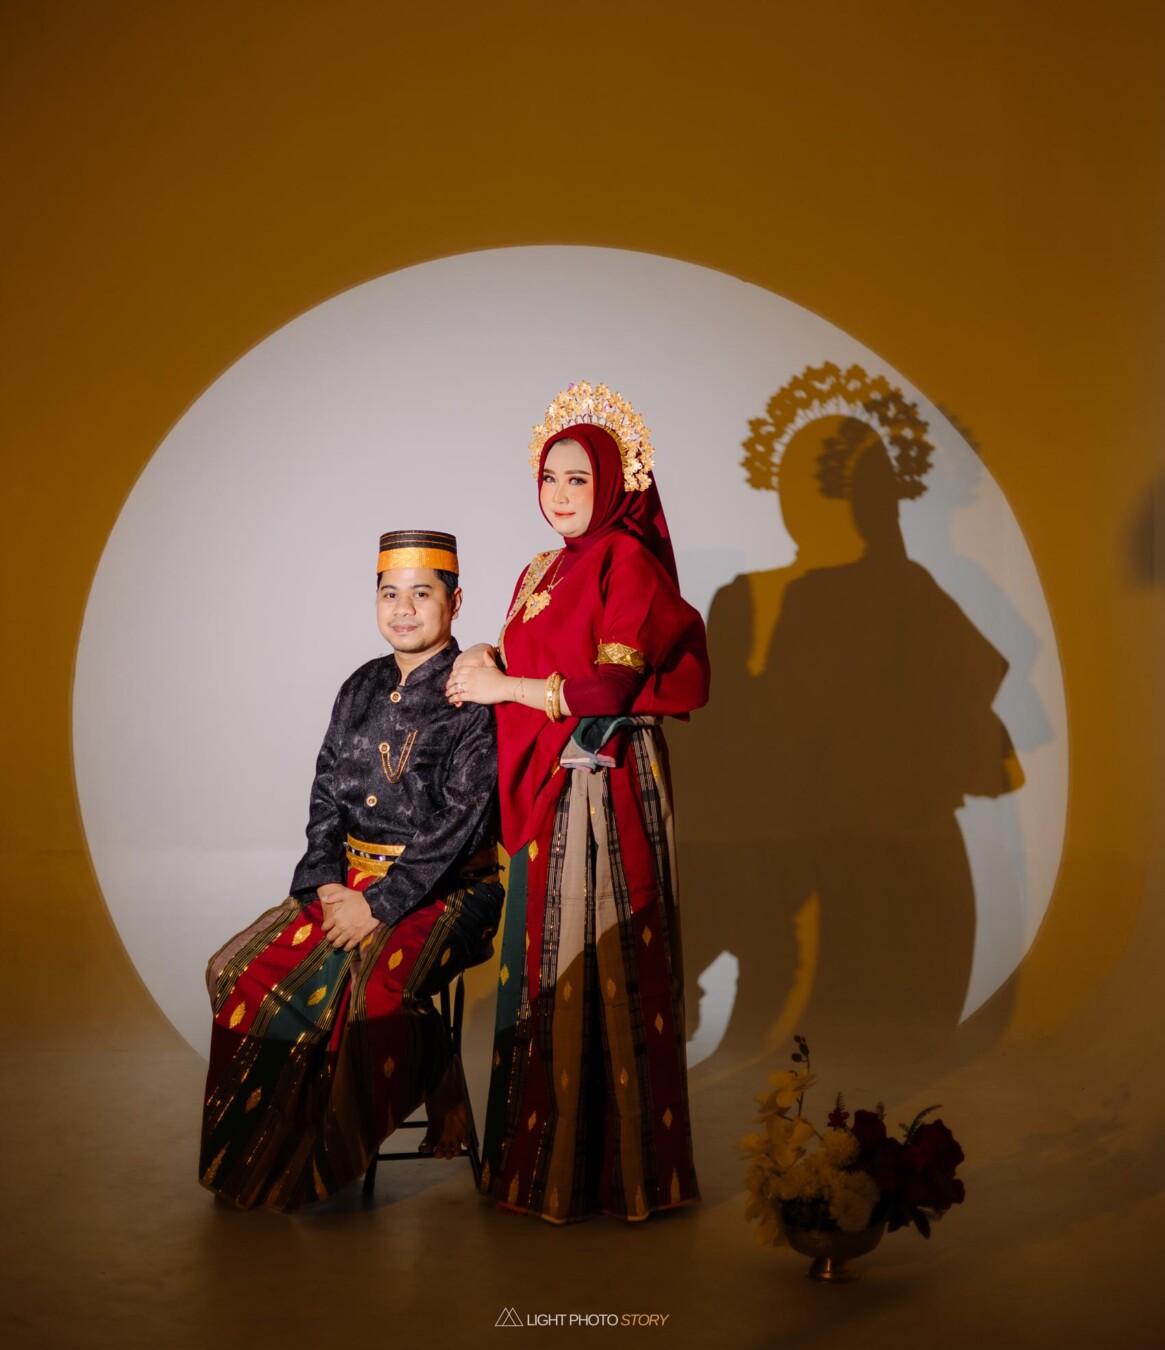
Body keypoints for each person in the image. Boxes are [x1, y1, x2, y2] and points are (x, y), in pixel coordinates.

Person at [446, 382, 710, 1223]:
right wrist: (484, 655)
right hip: (549, 779)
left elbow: (610, 687)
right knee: (542, 960)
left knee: (605, 960)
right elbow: (523, 658)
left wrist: (501, 686)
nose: (559, 496)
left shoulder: (625, 560)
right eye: (549, 479)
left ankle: (616, 1175)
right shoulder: (539, 568)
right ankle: (540, 1164)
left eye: (578, 481)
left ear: (615, 487)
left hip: (604, 781)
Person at [200, 529, 503, 1212]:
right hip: (348, 885)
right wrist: (326, 881)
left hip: (451, 891)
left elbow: (462, 823)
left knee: (370, 992)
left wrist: (380, 904)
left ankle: (326, 1156)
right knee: (234, 970)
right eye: (389, 594)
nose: (403, 609)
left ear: (455, 603)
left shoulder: (474, 692)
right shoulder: (360, 685)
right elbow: (325, 794)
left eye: (421, 594)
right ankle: (256, 1159)